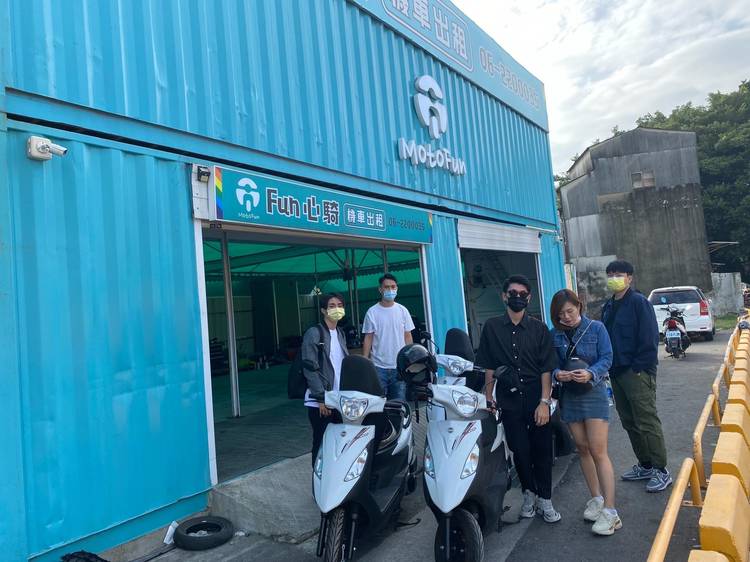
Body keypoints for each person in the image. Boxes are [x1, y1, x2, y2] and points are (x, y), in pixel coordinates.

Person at [476, 275, 561, 523]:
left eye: (523, 294)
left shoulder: (539, 328)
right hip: (509, 399)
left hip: (536, 397)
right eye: (513, 293)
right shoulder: (492, 327)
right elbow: (489, 365)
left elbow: (546, 368)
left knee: (542, 451)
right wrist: (488, 397)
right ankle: (528, 494)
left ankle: (545, 499)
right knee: (520, 451)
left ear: (529, 298)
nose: (517, 297)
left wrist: (544, 402)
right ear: (504, 296)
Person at [550, 289, 621, 535]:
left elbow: (607, 357)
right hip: (570, 396)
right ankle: (596, 499)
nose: (566, 317)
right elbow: (551, 365)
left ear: (579, 306)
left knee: (598, 450)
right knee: (582, 448)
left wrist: (591, 373)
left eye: (569, 311)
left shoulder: (597, 328)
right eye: (561, 314)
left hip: (594, 393)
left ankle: (611, 512)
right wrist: (558, 374)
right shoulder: (554, 335)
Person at [601, 260, 671, 492]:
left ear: (629, 278)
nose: (614, 278)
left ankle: (661, 469)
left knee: (646, 420)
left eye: (618, 274)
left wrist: (638, 368)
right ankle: (646, 464)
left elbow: (650, 338)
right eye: (610, 274)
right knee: (629, 421)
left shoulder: (639, 302)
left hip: (636, 372)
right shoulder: (608, 305)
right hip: (616, 372)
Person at [302, 293, 349, 466]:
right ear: (323, 310)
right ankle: (318, 477)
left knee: (338, 441)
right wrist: (321, 398)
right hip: (321, 401)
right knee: (321, 442)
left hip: (338, 398)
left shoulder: (340, 333)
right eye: (332, 306)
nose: (337, 309)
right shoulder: (314, 333)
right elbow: (309, 367)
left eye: (340, 305)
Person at [362, 273, 415, 400]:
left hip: (399, 367)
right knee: (377, 404)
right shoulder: (372, 312)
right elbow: (368, 337)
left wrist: (410, 360)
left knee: (399, 405)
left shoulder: (403, 310)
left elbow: (408, 336)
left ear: (397, 288)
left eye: (393, 287)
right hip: (378, 367)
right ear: (380, 289)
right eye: (386, 287)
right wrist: (365, 360)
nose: (390, 290)